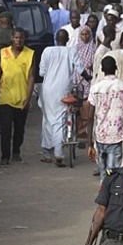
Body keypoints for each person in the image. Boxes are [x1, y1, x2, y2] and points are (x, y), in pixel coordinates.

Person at [39, 29, 89, 167]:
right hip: (63, 90)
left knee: (48, 119)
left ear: (56, 38)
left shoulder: (47, 51)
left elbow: (42, 72)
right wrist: (88, 77)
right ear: (67, 40)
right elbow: (80, 69)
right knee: (60, 120)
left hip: (47, 90)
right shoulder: (71, 51)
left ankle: (46, 152)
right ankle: (59, 153)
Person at [86, 56, 123, 181]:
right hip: (118, 136)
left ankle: (104, 197)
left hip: (100, 136)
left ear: (102, 70)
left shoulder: (96, 88)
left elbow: (90, 117)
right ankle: (110, 197)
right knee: (114, 174)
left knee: (104, 174)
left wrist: (89, 143)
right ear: (116, 68)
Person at [0, 28, 35, 166]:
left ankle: (16, 152)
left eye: (21, 38)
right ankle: (4, 156)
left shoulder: (30, 54)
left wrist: (28, 98)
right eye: (16, 38)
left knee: (19, 128)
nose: (19, 40)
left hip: (22, 97)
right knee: (5, 129)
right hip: (5, 96)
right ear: (12, 38)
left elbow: (31, 77)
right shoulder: (3, 52)